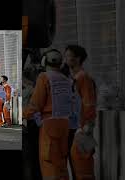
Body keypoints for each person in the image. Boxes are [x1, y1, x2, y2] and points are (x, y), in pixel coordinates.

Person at [24, 49, 73, 180]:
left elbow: (35, 104)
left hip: (49, 126)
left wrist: (23, 115)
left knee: (49, 164)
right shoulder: (66, 79)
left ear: (44, 61)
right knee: (61, 164)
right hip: (64, 125)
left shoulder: (44, 77)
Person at [65, 45, 97, 180]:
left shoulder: (83, 78)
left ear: (77, 59)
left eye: (68, 56)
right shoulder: (75, 78)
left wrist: (87, 125)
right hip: (76, 127)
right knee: (77, 165)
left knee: (82, 166)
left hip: (82, 128)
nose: (65, 59)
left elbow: (88, 102)